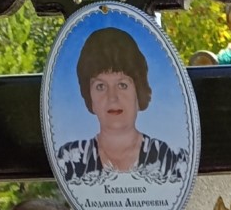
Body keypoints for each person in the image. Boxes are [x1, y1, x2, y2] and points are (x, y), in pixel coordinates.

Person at [55, 27, 188, 186]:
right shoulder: (68, 161)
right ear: (89, 96)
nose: (112, 97)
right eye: (100, 86)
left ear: (138, 91)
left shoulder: (171, 160)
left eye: (122, 85)